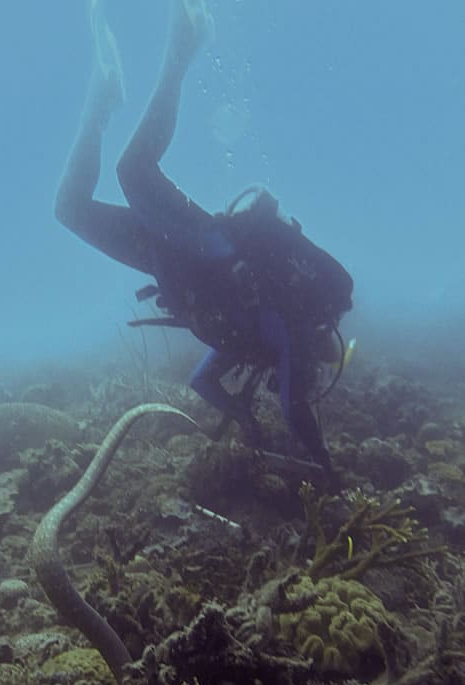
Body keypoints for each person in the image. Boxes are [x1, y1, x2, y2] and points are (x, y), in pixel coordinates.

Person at [55, 0, 353, 485]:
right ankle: (183, 48)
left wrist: (240, 413)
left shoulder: (252, 347)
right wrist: (325, 464)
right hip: (208, 246)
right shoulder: (291, 335)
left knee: (69, 208)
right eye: (318, 366)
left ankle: (102, 98)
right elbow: (294, 406)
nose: (309, 373)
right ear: (318, 343)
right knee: (133, 170)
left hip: (164, 257)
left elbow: (201, 380)